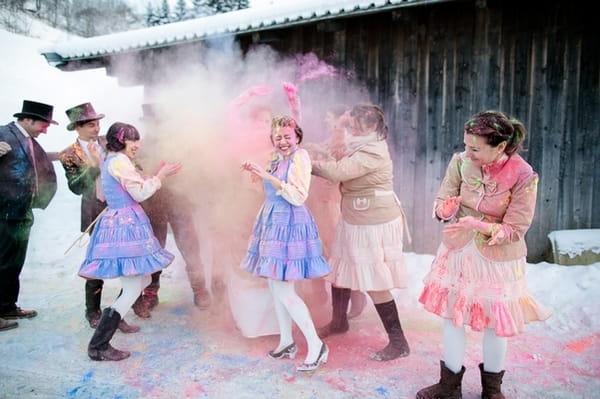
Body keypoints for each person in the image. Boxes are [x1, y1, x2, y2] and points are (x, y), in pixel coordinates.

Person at [415, 110, 552, 398]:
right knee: (453, 315)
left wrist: (479, 225)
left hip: (497, 260)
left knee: (495, 322)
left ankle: (492, 389)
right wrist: (445, 210)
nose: (467, 152)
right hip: (458, 253)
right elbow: (442, 201)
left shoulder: (524, 175)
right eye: (466, 145)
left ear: (500, 146)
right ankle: (449, 386)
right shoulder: (460, 162)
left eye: (475, 148)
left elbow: (516, 228)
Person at [309, 103, 411, 361]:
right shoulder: (360, 144)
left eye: (356, 124)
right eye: (350, 123)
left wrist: (307, 163)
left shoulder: (373, 150)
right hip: (356, 216)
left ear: (373, 126)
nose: (350, 127)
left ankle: (399, 343)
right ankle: (339, 321)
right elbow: (341, 163)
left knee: (375, 281)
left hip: (372, 222)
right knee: (341, 268)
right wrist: (321, 151)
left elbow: (339, 172)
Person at [79, 122, 181, 361]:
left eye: (138, 140)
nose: (137, 145)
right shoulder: (119, 162)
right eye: (133, 140)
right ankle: (99, 344)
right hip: (126, 227)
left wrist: (146, 177)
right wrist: (160, 176)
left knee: (141, 278)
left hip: (123, 221)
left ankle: (112, 319)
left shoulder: (111, 160)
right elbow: (140, 194)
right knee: (134, 284)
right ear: (120, 140)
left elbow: (106, 194)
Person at [240, 115, 331, 371]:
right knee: (274, 285)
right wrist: (257, 175)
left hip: (290, 225)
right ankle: (287, 341)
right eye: (277, 137)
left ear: (297, 137)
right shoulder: (278, 159)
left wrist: (267, 177)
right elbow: (272, 189)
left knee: (283, 289)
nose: (282, 142)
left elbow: (298, 196)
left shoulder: (301, 157)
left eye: (287, 137)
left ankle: (316, 345)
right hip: (272, 224)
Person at [58, 102, 139, 333]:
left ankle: (117, 313)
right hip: (96, 212)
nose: (97, 129)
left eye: (98, 124)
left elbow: (128, 166)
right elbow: (75, 186)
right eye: (91, 125)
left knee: (128, 262)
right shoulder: (68, 154)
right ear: (77, 127)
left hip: (121, 211)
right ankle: (92, 311)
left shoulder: (108, 142)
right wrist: (94, 166)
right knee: (97, 264)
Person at [132, 104, 214, 317]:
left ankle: (200, 289)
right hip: (152, 205)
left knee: (190, 249)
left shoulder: (182, 144)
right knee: (153, 251)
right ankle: (151, 290)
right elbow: (134, 177)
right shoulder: (139, 147)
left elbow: (198, 171)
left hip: (180, 203)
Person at [304, 104, 368, 320]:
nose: (326, 121)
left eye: (330, 118)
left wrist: (323, 151)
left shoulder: (347, 141)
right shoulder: (331, 139)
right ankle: (320, 297)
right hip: (316, 202)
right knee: (316, 250)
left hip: (331, 203)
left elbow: (340, 164)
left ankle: (355, 298)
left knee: (337, 254)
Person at [0, 100, 58, 331]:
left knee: (14, 263)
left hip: (22, 213)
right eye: (44, 124)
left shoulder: (28, 140)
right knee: (1, 261)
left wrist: (59, 156)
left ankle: (7, 305)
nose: (46, 129)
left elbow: (32, 162)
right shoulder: (3, 132)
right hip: (3, 213)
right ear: (28, 120)